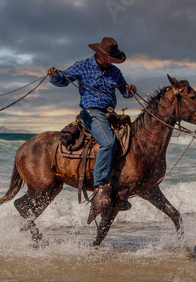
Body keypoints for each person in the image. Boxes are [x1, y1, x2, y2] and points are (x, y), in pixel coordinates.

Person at [47, 37, 137, 224]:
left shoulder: (115, 72)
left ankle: (117, 186)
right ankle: (100, 188)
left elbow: (125, 93)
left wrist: (130, 91)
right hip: (91, 113)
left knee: (129, 143)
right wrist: (54, 76)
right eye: (106, 57)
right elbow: (63, 81)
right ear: (98, 53)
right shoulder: (83, 66)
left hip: (110, 114)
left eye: (111, 58)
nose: (108, 61)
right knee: (108, 142)